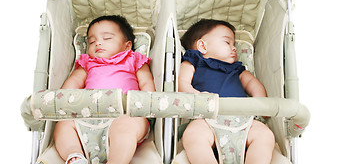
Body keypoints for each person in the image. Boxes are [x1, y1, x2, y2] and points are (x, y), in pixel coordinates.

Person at [53, 15, 155, 164]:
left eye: (107, 38)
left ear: (127, 46)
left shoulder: (133, 59)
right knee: (63, 125)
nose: (98, 43)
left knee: (128, 126)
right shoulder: (88, 63)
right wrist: (61, 99)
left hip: (125, 115)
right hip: (87, 118)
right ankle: (75, 156)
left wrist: (146, 101)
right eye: (92, 41)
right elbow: (73, 82)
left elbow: (146, 82)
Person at [178, 19, 274, 164]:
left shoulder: (237, 69)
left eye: (234, 44)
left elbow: (253, 84)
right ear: (202, 46)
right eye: (227, 42)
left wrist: (261, 103)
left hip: (243, 119)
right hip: (206, 118)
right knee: (193, 135)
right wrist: (196, 96)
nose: (234, 48)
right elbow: (182, 83)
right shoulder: (194, 62)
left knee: (265, 135)